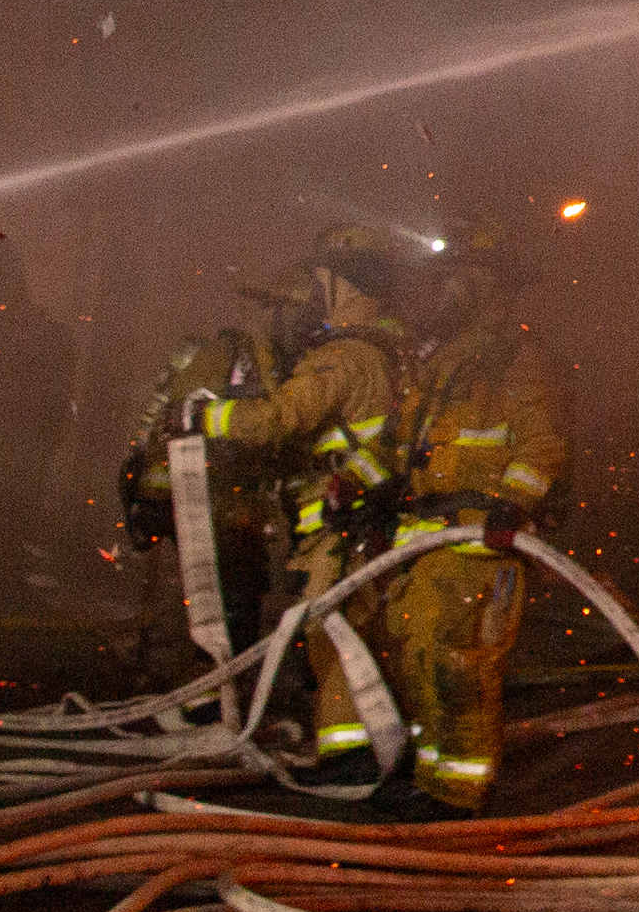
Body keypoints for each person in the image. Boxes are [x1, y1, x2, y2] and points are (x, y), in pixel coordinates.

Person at [187, 230, 418, 788]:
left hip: (341, 526)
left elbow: (278, 419)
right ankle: (372, 746)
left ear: (344, 287)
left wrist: (207, 417)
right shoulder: (394, 354)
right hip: (372, 517)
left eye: (321, 283)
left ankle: (350, 757)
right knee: (357, 632)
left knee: (330, 633)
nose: (312, 297)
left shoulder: (342, 358)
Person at [372, 222, 573, 813]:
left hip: (479, 545)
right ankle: (427, 775)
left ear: (490, 284)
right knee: (416, 660)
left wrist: (511, 505)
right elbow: (409, 441)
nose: (447, 288)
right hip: (425, 543)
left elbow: (543, 444)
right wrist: (377, 489)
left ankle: (459, 792)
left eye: (460, 276)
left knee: (459, 670)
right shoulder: (440, 360)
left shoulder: (517, 358)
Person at [121, 292, 287, 688]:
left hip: (208, 500)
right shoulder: (234, 357)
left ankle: (202, 682)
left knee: (218, 595)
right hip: (212, 501)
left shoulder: (243, 357)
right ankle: (207, 687)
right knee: (223, 596)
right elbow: (174, 424)